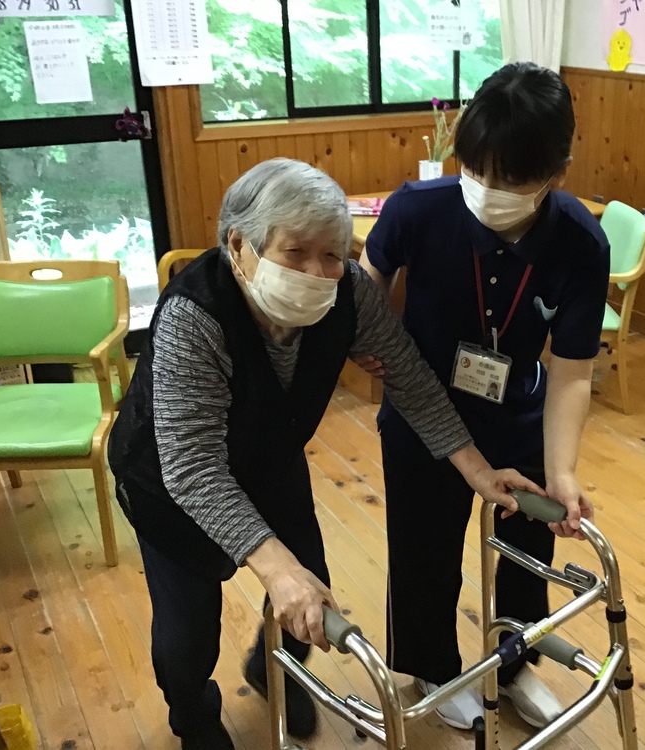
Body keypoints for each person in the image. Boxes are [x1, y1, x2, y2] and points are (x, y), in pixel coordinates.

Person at [107, 159, 544, 749]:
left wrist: (478, 470)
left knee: (311, 592)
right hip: (171, 482)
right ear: (239, 246)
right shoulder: (195, 317)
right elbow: (194, 469)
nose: (318, 272)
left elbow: (410, 378)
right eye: (296, 252)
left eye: (332, 255)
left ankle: (276, 671)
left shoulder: (351, 293)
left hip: (271, 458)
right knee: (187, 637)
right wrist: (276, 569)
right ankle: (194, 717)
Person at [358, 62, 610, 730]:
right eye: (476, 170)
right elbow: (366, 280)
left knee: (529, 553)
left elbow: (573, 371)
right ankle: (434, 670)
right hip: (423, 413)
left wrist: (561, 470)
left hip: (519, 413)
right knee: (424, 550)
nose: (489, 191)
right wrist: (367, 342)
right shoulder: (417, 208)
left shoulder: (580, 241)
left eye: (511, 180)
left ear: (558, 172)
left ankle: (515, 663)